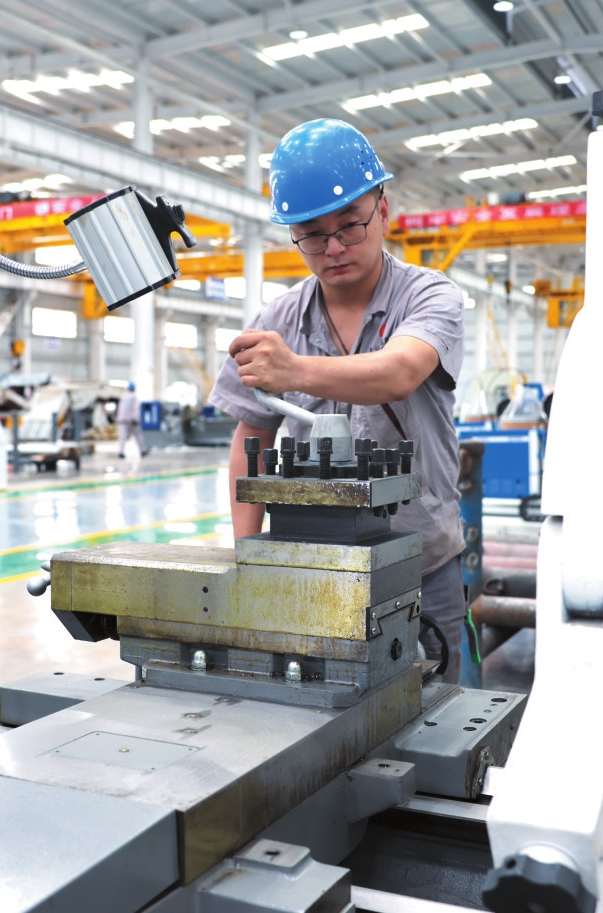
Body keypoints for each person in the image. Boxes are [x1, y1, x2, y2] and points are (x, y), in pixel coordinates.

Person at [209, 119, 467, 679]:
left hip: (425, 566)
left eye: (350, 224)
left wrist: (295, 369)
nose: (333, 247)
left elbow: (399, 371)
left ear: (383, 210)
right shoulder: (277, 319)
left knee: (445, 713)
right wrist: (249, 558)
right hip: (315, 569)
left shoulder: (430, 295)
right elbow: (252, 433)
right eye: (312, 235)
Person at [115, 382, 143, 474]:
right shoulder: (134, 397)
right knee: (138, 435)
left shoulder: (123, 396)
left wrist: (119, 418)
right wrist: (136, 418)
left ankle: (121, 452)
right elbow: (136, 408)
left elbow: (120, 408)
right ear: (134, 389)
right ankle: (143, 450)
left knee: (122, 436)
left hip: (123, 420)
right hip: (131, 420)